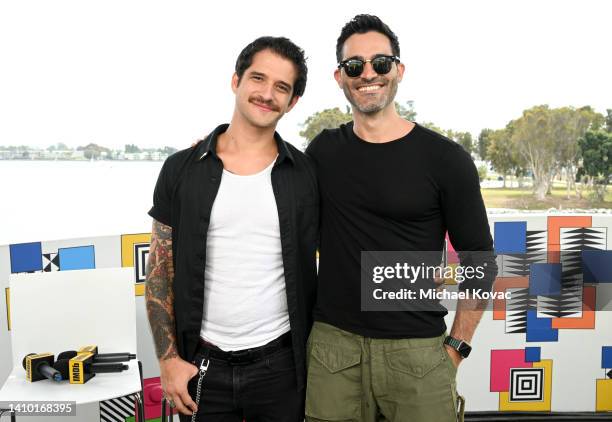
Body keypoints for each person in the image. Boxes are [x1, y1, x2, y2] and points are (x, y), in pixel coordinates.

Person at [304, 15, 498, 422]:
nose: (368, 74)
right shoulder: (322, 152)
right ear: (340, 77)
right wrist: (221, 147)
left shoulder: (445, 160)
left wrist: (456, 348)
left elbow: (480, 260)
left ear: (399, 70)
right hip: (333, 351)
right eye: (354, 66)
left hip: (417, 354)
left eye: (381, 62)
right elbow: (273, 182)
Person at [145, 36, 318, 422]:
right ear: (236, 80)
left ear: (292, 103)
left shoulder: (307, 175)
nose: (267, 93)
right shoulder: (181, 169)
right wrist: (168, 359)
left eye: (281, 87)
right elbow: (158, 273)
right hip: (201, 365)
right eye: (258, 78)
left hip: (283, 368)